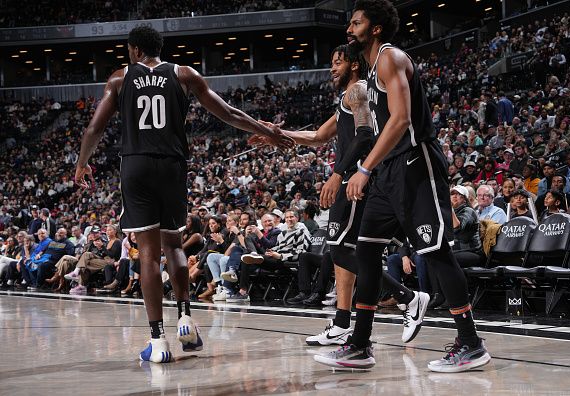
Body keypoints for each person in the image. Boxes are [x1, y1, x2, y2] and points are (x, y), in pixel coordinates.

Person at [74, 26, 292, 363]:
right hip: (172, 166)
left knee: (147, 254)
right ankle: (186, 319)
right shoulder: (183, 74)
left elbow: (94, 128)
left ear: (133, 50)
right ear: (159, 48)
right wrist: (269, 132)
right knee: (173, 244)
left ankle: (158, 341)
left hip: (136, 166)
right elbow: (229, 113)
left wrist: (81, 164)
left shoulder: (119, 79)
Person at [316, 0, 489, 372]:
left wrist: (363, 168)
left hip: (414, 162)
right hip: (387, 172)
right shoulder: (368, 75)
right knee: (364, 251)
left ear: (375, 28)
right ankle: (360, 345)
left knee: (436, 251)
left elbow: (401, 120)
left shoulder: (392, 58)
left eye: (356, 22)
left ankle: (471, 343)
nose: (349, 28)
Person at [254, 44, 375, 345]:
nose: (332, 68)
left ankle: (406, 296)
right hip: (350, 177)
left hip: (355, 179)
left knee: (340, 250)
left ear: (354, 65)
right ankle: (343, 322)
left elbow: (365, 136)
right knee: (340, 251)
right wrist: (278, 134)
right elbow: (318, 136)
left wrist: (337, 174)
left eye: (338, 62)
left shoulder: (357, 90)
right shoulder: (347, 98)